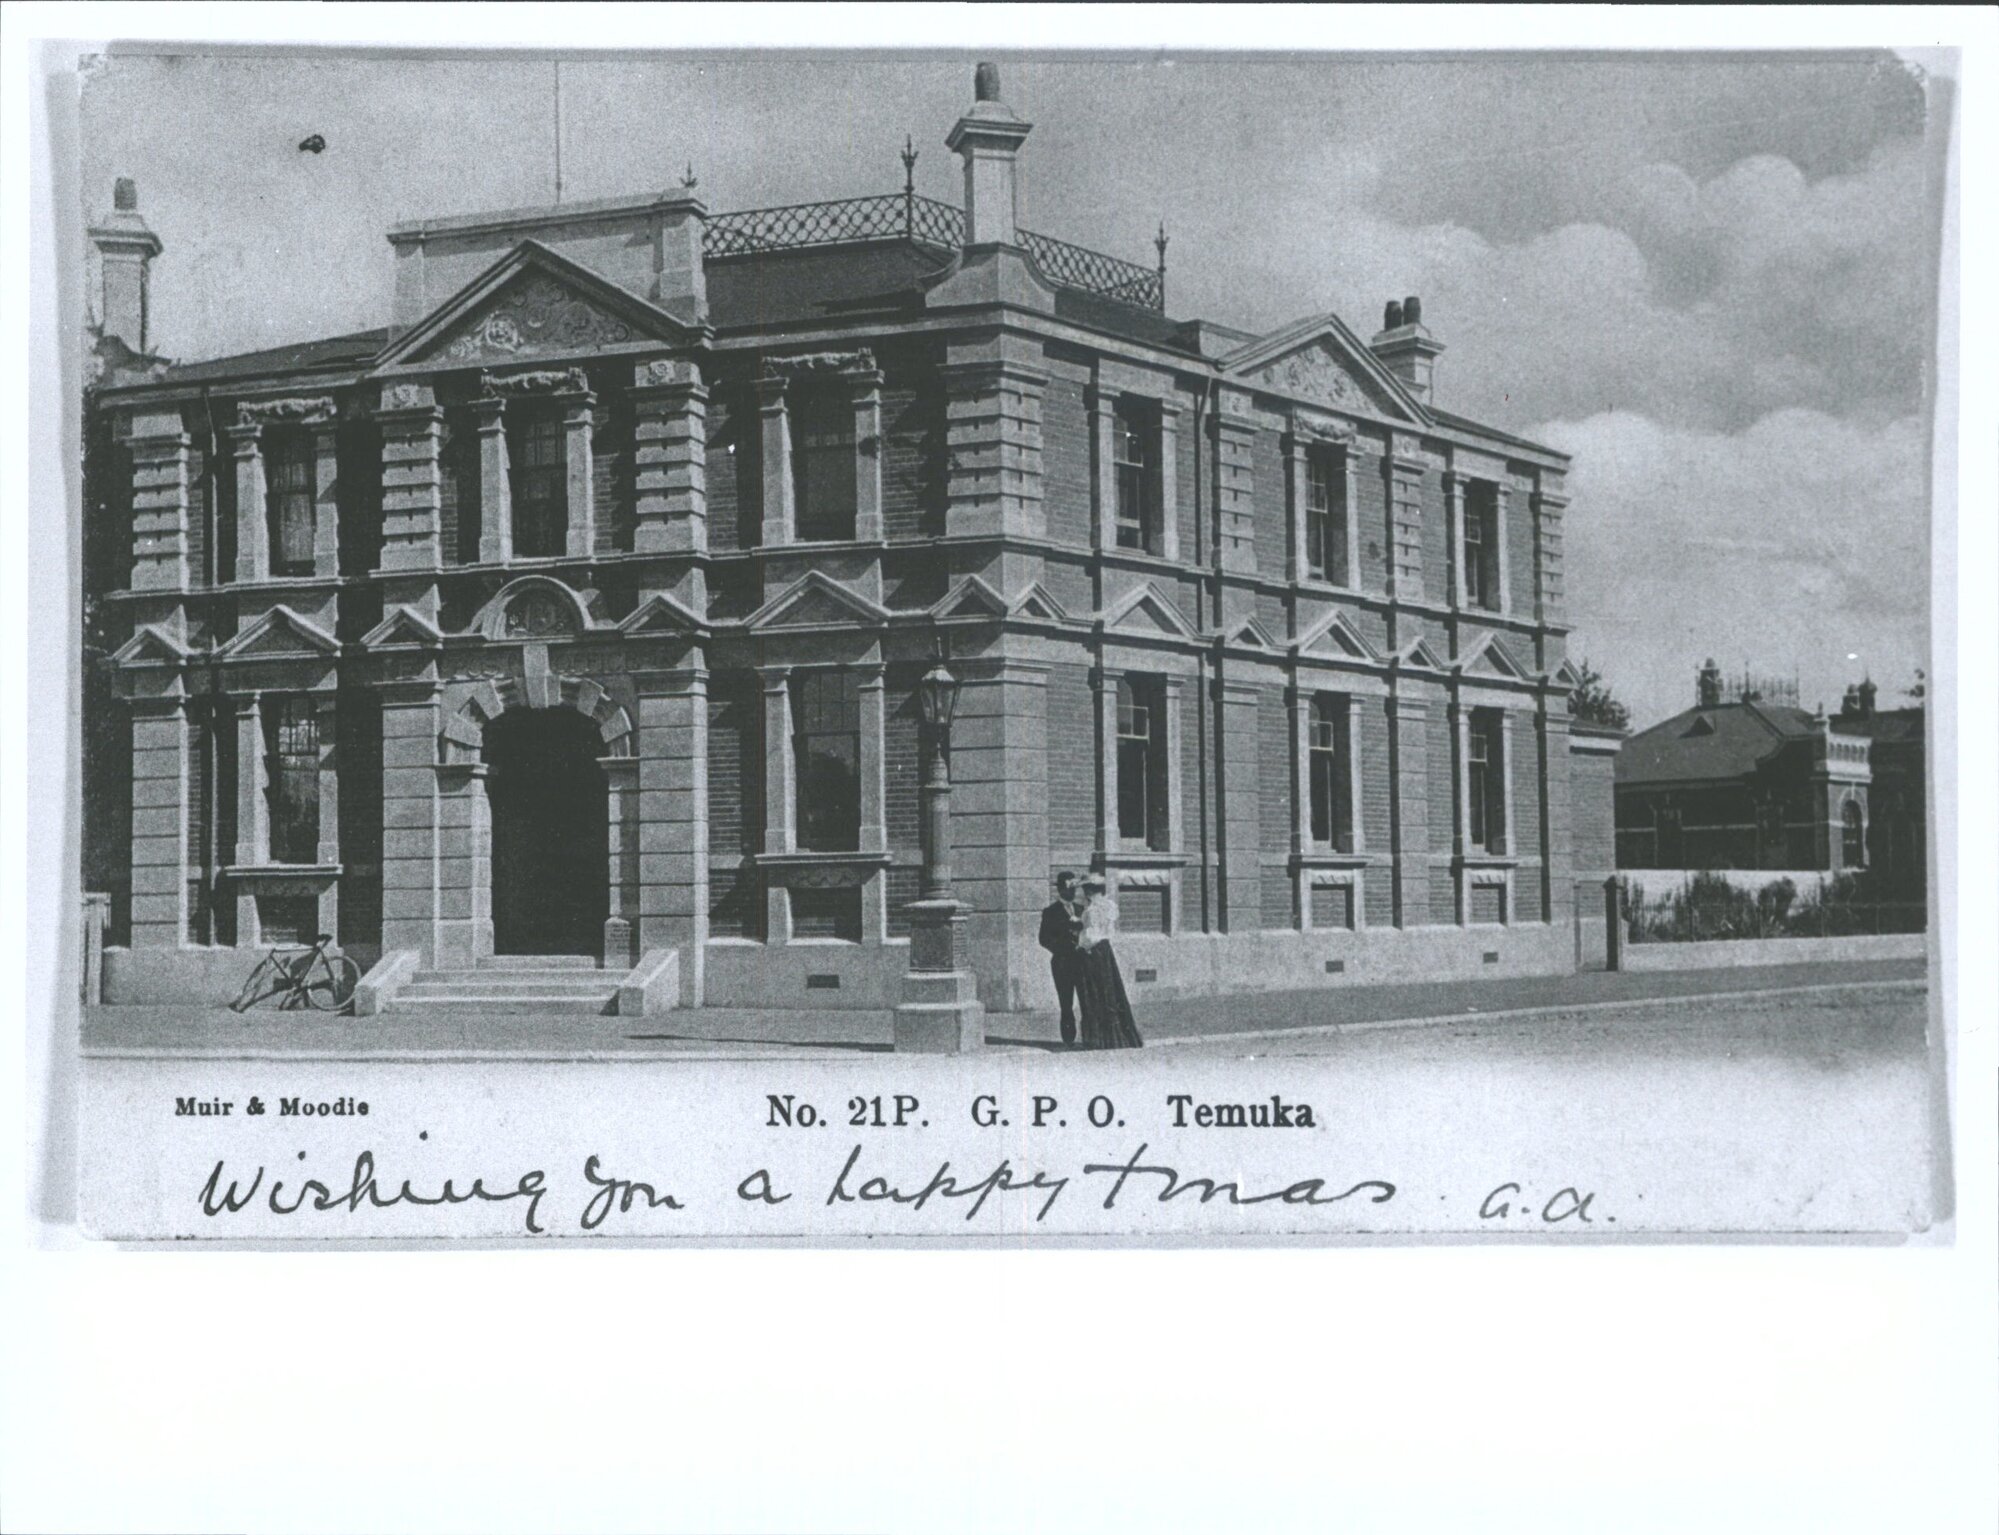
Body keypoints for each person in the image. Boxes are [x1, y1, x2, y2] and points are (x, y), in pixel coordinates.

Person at [1074, 875, 1143, 1050]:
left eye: (1085, 890)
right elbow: (1108, 932)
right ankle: (1120, 1036)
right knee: (1111, 990)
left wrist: (1079, 943)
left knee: (1095, 992)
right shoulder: (1110, 906)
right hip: (1106, 951)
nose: (1084, 893)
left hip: (1093, 953)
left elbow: (1089, 936)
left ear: (1089, 891)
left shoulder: (1090, 911)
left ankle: (1099, 1038)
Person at [1037, 871, 1086, 1045]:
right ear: (1060, 890)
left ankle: (1087, 1035)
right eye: (1068, 888)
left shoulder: (1082, 909)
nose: (1071, 892)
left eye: (1074, 888)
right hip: (1062, 963)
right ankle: (1068, 1037)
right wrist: (1062, 949)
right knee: (1066, 1002)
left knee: (1086, 999)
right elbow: (1044, 939)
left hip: (1081, 962)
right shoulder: (1051, 912)